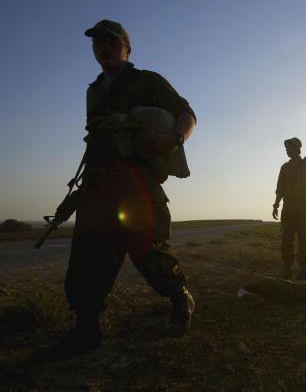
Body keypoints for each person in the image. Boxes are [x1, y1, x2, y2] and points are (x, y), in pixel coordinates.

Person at [34, 20, 197, 361]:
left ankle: (179, 294)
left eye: (110, 41)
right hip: (98, 184)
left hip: (136, 182)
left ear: (127, 47)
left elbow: (187, 113)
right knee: (86, 256)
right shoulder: (93, 90)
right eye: (96, 43)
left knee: (147, 251)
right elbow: (96, 138)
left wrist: (175, 138)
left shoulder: (148, 81)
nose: (102, 47)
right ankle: (86, 330)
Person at [273, 138, 306, 279]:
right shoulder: (284, 168)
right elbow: (280, 188)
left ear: (297, 149)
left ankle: (303, 268)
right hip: (288, 209)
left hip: (304, 209)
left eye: (290, 148)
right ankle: (287, 268)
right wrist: (276, 205)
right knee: (286, 240)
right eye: (286, 149)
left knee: (303, 241)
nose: (287, 151)